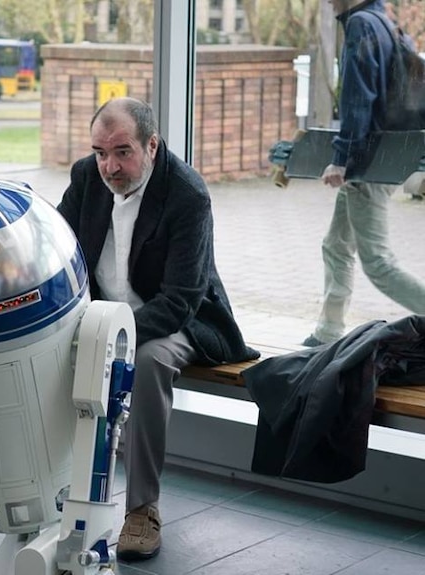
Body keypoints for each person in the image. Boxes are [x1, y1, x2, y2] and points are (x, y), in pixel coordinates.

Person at [56, 97, 258, 561]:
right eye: (101, 152)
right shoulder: (87, 176)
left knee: (144, 362)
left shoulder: (187, 194)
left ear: (151, 144)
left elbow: (181, 300)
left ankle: (142, 510)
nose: (110, 166)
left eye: (122, 152)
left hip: (177, 321)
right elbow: (60, 249)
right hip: (104, 313)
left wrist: (111, 337)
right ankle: (55, 484)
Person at [303, 0, 425, 347]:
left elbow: (360, 99)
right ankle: (327, 331)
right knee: (336, 244)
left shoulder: (362, 24)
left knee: (378, 263)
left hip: (369, 161)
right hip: (386, 154)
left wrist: (343, 159)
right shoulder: (384, 19)